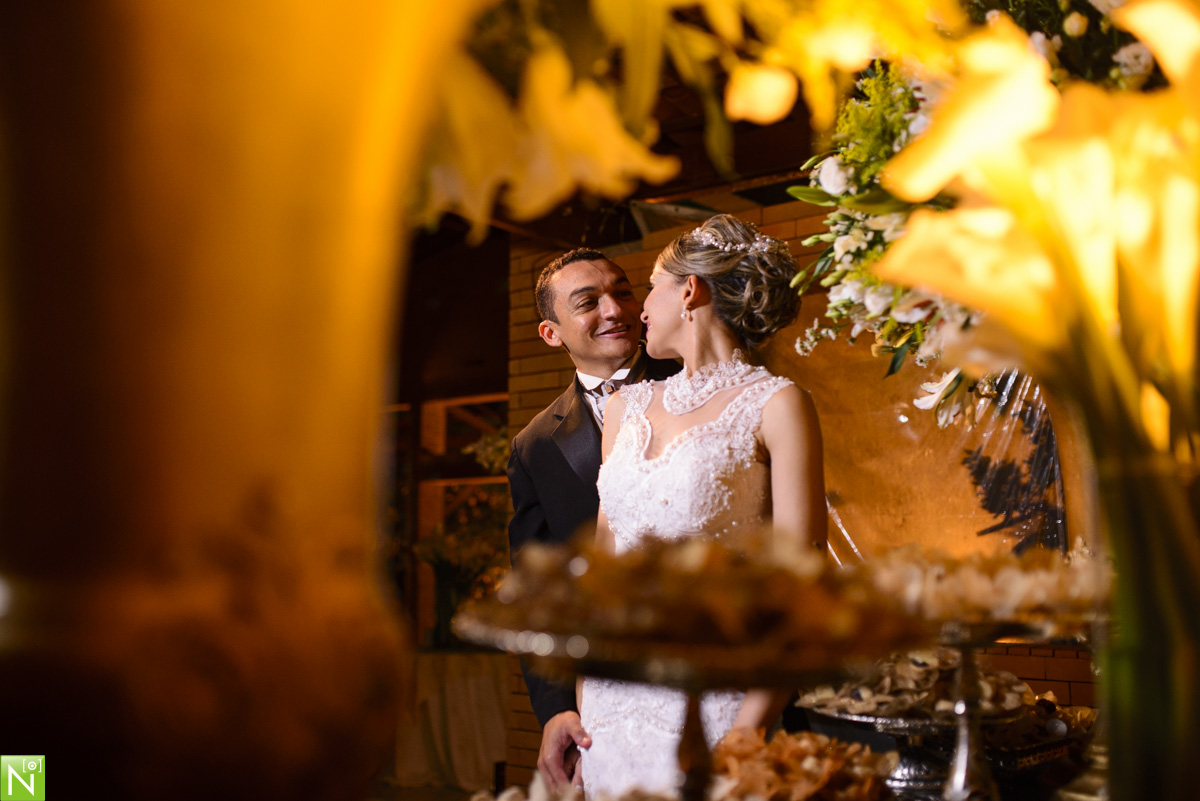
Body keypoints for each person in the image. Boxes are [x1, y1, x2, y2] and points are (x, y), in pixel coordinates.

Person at [578, 215, 827, 798]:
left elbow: (800, 584)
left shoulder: (777, 404)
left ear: (690, 291)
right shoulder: (623, 410)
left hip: (719, 699)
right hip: (611, 706)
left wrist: (748, 731)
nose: (642, 309)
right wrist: (584, 702)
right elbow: (600, 572)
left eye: (653, 287)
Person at [507, 248, 680, 792]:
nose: (614, 310)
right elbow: (539, 587)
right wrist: (556, 707)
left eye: (623, 292)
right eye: (588, 302)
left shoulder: (702, 382)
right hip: (611, 689)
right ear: (551, 333)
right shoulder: (535, 445)